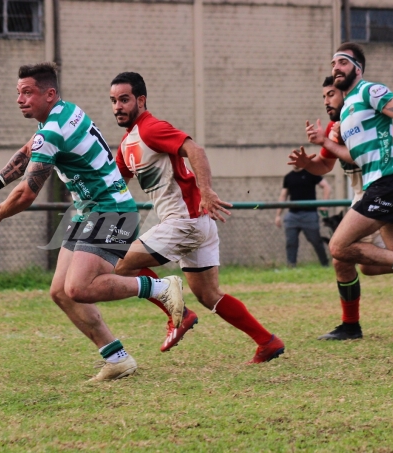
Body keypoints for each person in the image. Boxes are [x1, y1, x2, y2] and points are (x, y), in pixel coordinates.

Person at [0, 63, 187, 381]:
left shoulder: (52, 131)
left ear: (49, 93)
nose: (20, 99)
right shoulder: (65, 113)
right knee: (60, 291)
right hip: (91, 211)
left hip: (111, 210)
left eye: (27, 92)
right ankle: (117, 359)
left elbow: (27, 194)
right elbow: (29, 150)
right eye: (18, 93)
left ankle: (160, 287)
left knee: (79, 288)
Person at [109, 72, 285, 363]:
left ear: (141, 100)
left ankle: (178, 312)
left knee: (119, 264)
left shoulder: (151, 128)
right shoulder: (128, 144)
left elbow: (194, 149)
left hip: (183, 222)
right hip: (197, 224)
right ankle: (267, 341)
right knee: (209, 294)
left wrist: (206, 191)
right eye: (114, 101)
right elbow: (114, 186)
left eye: (124, 99)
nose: (118, 106)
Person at [292, 75, 393, 340]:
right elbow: (324, 166)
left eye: (331, 94)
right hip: (365, 195)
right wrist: (308, 163)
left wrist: (329, 142)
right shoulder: (335, 127)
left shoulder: (368, 119)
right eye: (324, 96)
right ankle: (351, 325)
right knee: (374, 264)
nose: (327, 101)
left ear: (346, 94)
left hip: (380, 190)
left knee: (344, 252)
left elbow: (367, 155)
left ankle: (351, 325)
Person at [305, 42, 393, 305]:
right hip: (385, 187)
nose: (336, 68)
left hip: (386, 184)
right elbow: (354, 157)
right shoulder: (347, 110)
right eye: (333, 64)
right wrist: (325, 142)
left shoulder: (370, 91)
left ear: (358, 68)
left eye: (342, 62)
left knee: (338, 247)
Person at [274, 167, 331, 267]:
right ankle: (291, 266)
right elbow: (283, 196)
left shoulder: (311, 172)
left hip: (309, 214)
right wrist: (278, 215)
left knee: (316, 241)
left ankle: (325, 265)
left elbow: (326, 186)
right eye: (292, 159)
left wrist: (324, 204)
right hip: (293, 215)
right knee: (291, 242)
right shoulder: (288, 177)